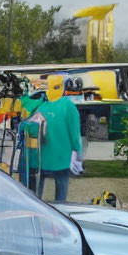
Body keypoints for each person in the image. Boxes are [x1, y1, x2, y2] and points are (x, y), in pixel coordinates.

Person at [26, 74, 82, 202]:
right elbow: (74, 132)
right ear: (61, 87)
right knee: (61, 194)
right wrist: (77, 151)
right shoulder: (68, 106)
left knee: (36, 196)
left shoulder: (40, 107)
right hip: (62, 159)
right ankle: (59, 214)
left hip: (40, 159)